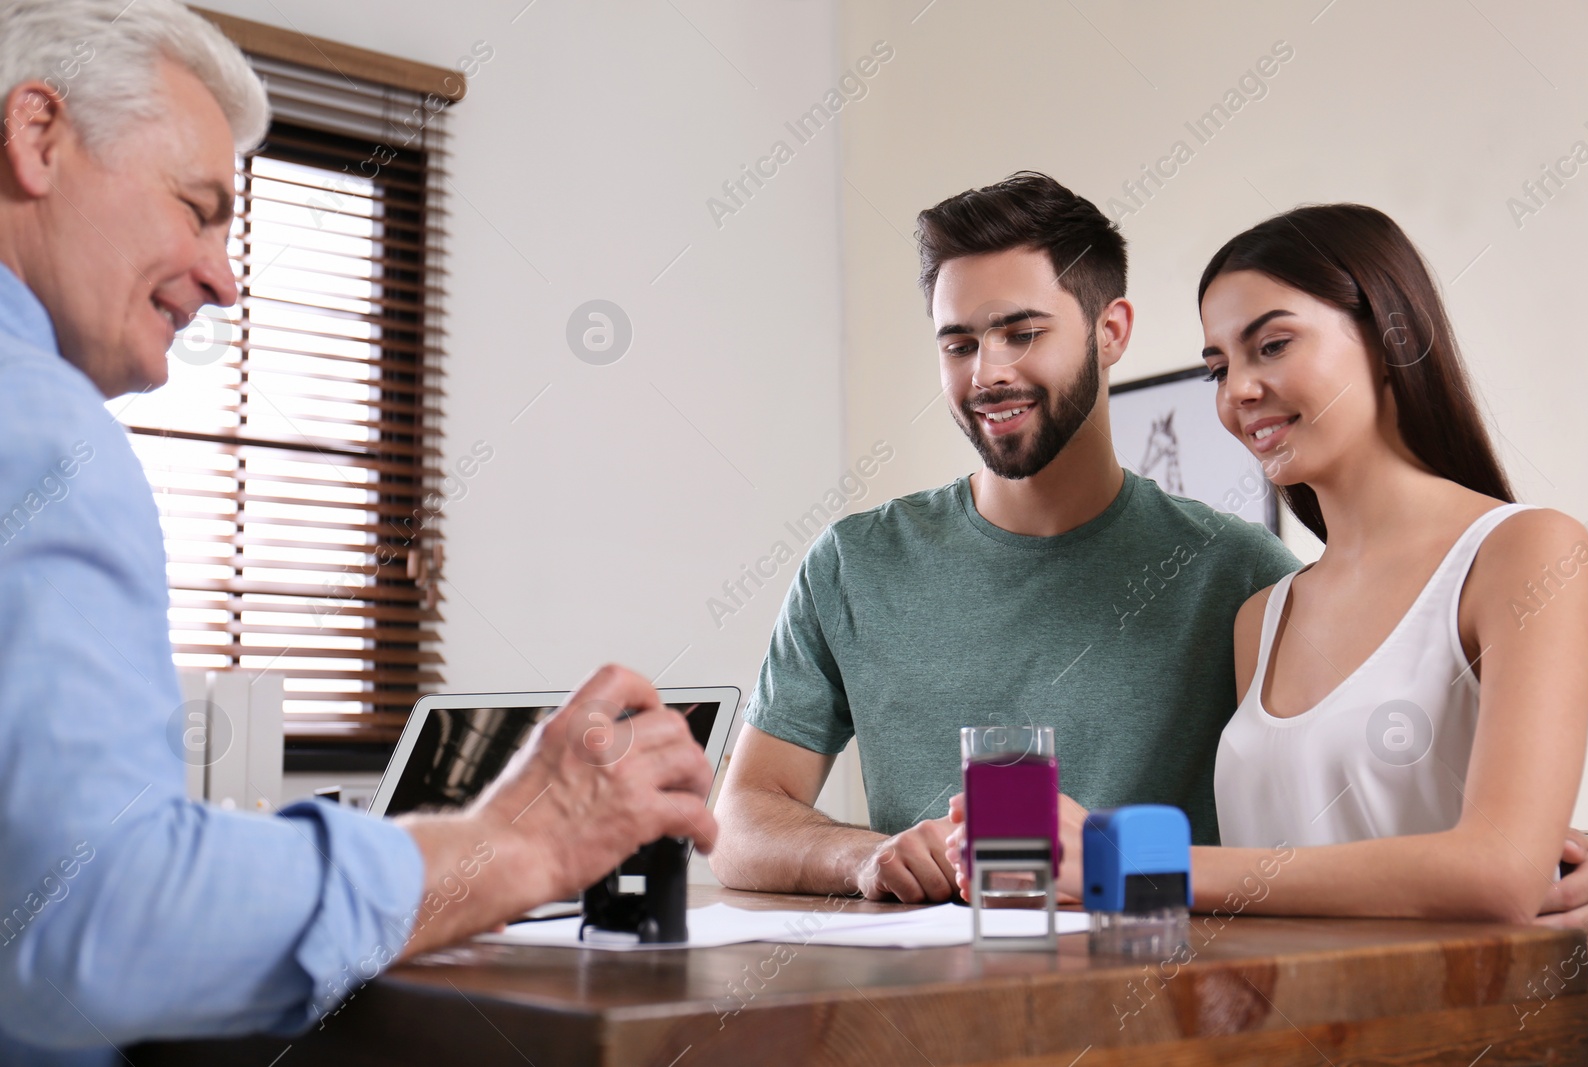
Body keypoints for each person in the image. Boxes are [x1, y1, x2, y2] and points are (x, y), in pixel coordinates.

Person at [0, 3, 715, 1062]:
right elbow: (96, 918)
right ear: (38, 136)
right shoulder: (46, 432)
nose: (224, 275)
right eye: (198, 208)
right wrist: (508, 843)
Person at [948, 203, 1588, 931]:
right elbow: (1274, 876)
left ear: (1392, 339)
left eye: (1273, 345)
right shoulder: (1264, 614)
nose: (1239, 392)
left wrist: (1121, 857)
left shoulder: (1525, 552)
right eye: (1219, 368)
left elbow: (1500, 872)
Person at [711, 172, 1303, 902]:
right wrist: (864, 857)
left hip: (1159, 1000)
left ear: (1111, 330)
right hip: (920, 1005)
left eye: (1020, 333)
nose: (986, 373)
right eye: (958, 344)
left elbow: (1303, 847)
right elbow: (739, 821)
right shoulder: (853, 564)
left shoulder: (1241, 574)